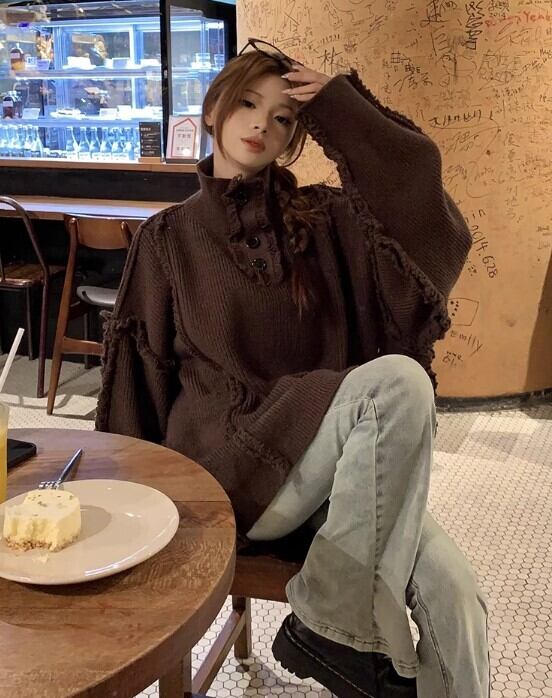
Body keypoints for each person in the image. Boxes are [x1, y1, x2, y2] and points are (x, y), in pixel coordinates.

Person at [96, 39, 489, 698]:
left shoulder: (322, 221)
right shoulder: (168, 239)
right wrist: (132, 512)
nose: (261, 125)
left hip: (332, 473)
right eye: (247, 104)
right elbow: (137, 378)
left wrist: (341, 108)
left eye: (283, 118)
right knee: (397, 382)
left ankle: (335, 623)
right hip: (231, 477)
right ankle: (335, 624)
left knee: (456, 594)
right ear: (213, 110)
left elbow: (422, 200)